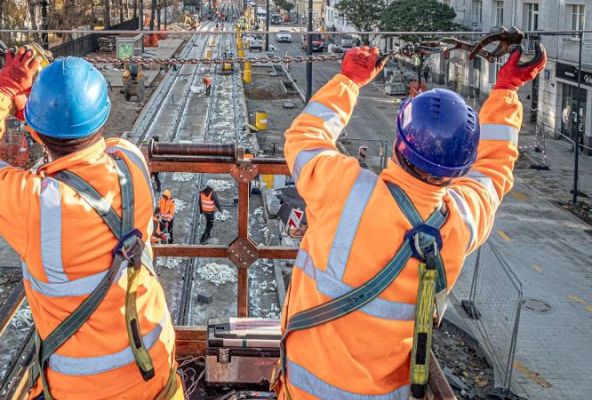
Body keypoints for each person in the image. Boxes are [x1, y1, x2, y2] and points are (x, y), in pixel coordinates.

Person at [276, 44, 545, 399]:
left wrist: (350, 80)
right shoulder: (461, 219)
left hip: (301, 390)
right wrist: (507, 93)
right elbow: (493, 170)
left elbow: (304, 137)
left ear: (399, 142)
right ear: (461, 166)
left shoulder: (342, 187)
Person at [0, 49, 182, 400]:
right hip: (157, 371)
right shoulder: (131, 162)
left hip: (84, 390)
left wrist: (5, 88)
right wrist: (42, 118)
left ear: (37, 135)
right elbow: (102, 147)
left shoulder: (35, 205)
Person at [198, 179, 222, 244]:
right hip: (210, 212)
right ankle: (202, 240)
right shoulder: (212, 193)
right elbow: (216, 202)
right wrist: (220, 209)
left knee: (208, 223)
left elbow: (199, 202)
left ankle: (208, 235)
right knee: (209, 225)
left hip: (205, 212)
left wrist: (200, 211)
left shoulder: (202, 192)